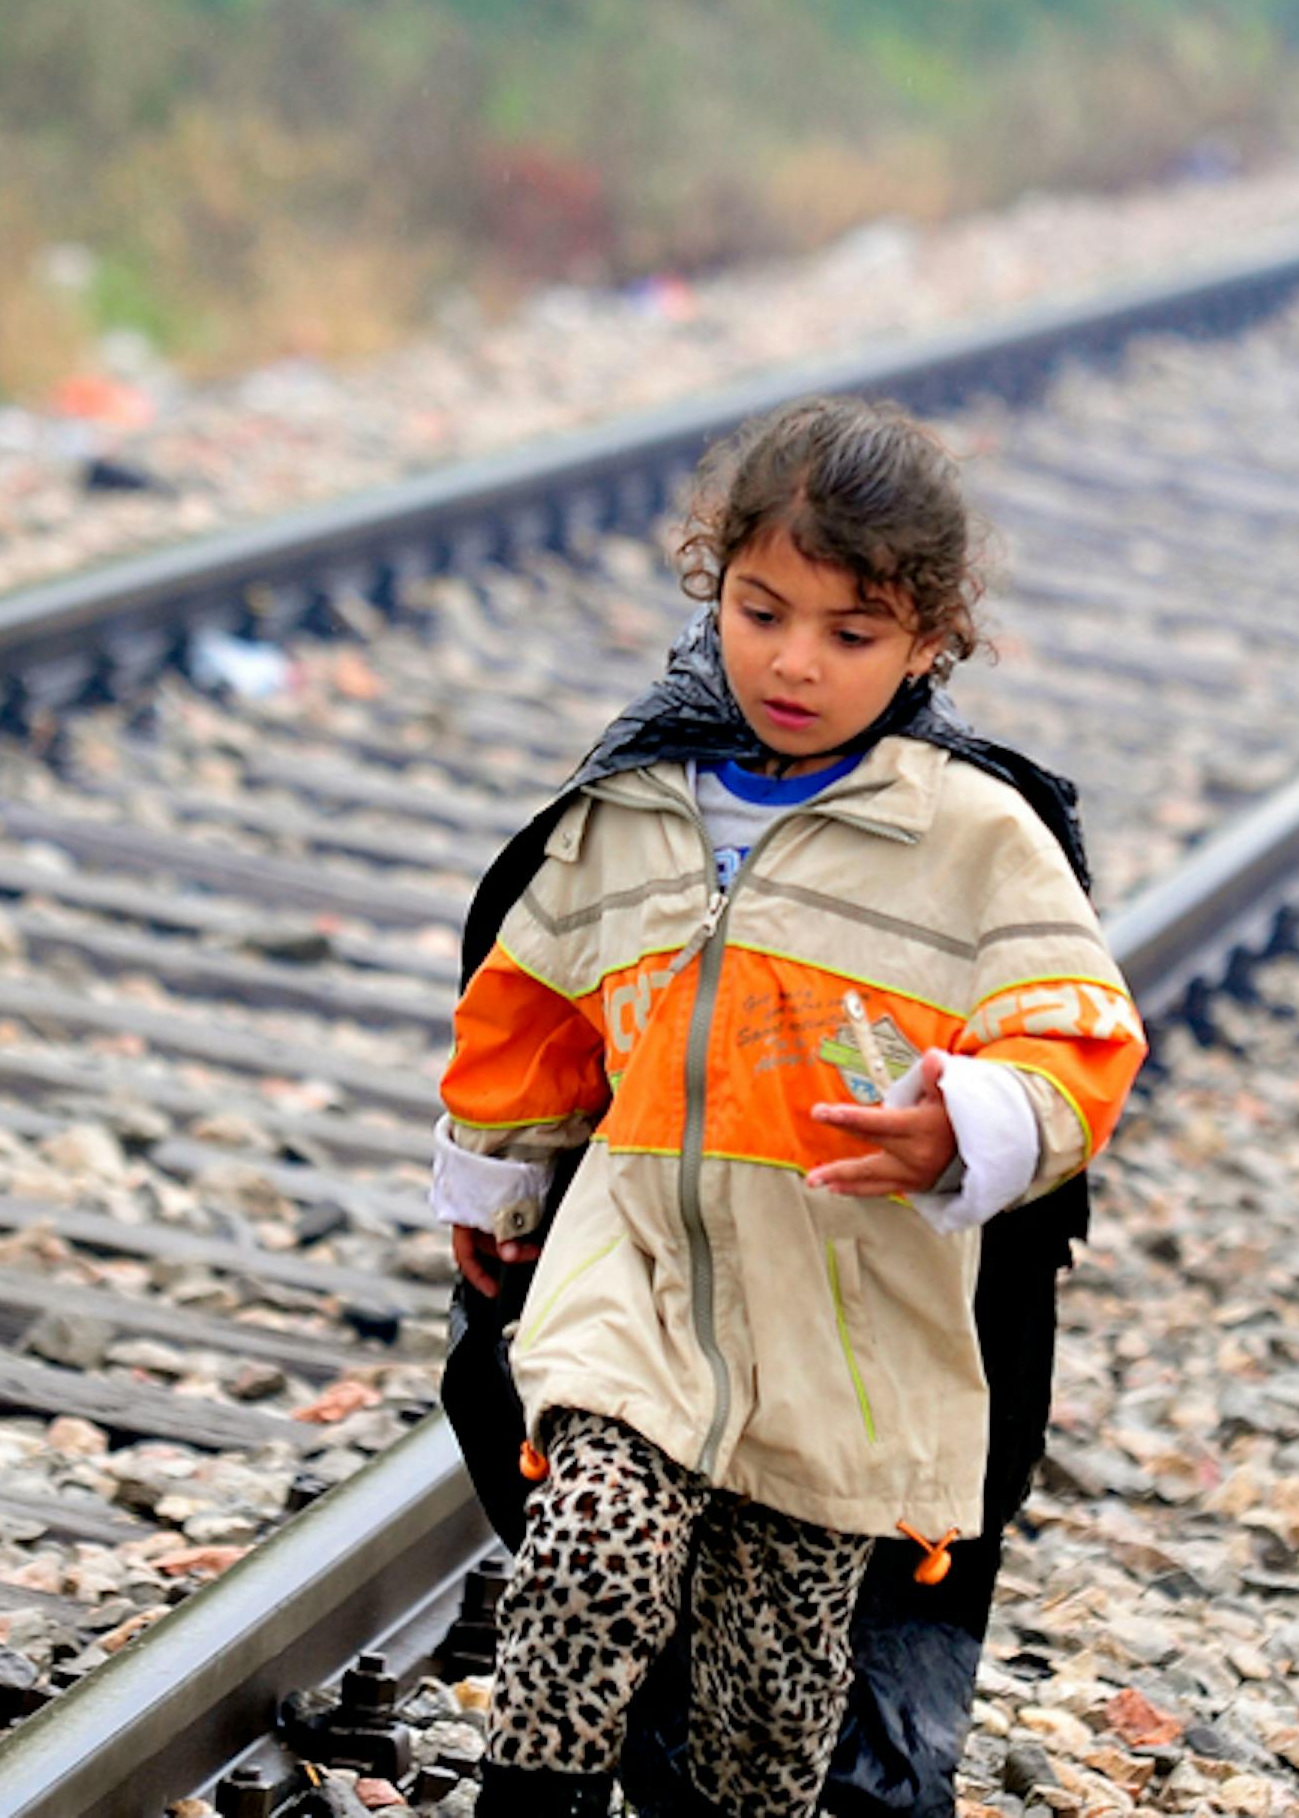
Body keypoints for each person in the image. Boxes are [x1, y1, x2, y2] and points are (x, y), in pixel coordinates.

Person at [430, 395, 1149, 1817]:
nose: (794, 661)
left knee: (767, 1695)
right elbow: (533, 1000)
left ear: (931, 640)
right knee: (587, 1550)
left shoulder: (973, 837)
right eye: (762, 611)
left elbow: (1077, 1033)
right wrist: (503, 1188)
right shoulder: (635, 808)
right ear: (714, 584)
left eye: (849, 632)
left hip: (845, 1322)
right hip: (636, 1268)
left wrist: (976, 1122)